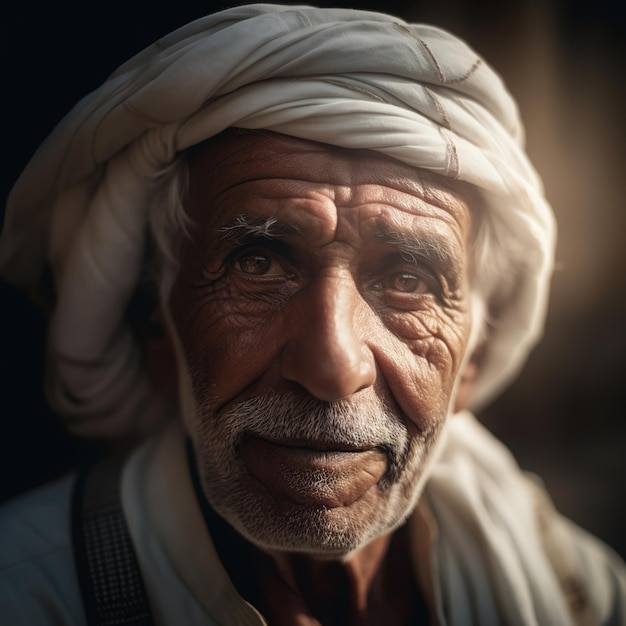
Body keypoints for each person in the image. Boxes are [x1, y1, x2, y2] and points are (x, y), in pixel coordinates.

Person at [0, 4, 624, 625]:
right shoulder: (28, 597)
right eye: (260, 266)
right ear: (155, 325)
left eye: (408, 280)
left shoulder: (581, 592)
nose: (332, 365)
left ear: (473, 359)